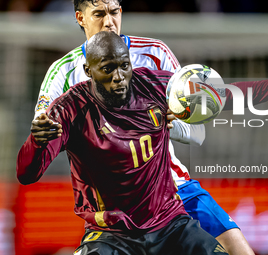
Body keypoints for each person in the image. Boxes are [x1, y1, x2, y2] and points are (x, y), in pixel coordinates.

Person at [31, 0, 268, 254]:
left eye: (115, 11)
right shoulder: (62, 74)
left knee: (241, 250)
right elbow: (42, 135)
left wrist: (173, 121)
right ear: (80, 18)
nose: (110, 22)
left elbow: (196, 131)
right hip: (114, 211)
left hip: (175, 192)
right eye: (99, 14)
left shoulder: (156, 54)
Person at [17, 31, 229, 255]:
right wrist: (36, 142)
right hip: (111, 234)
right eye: (108, 68)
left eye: (124, 66)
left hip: (170, 223)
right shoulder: (69, 110)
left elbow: (198, 125)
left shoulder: (156, 85)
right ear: (88, 71)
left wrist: (198, 104)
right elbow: (26, 175)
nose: (119, 76)